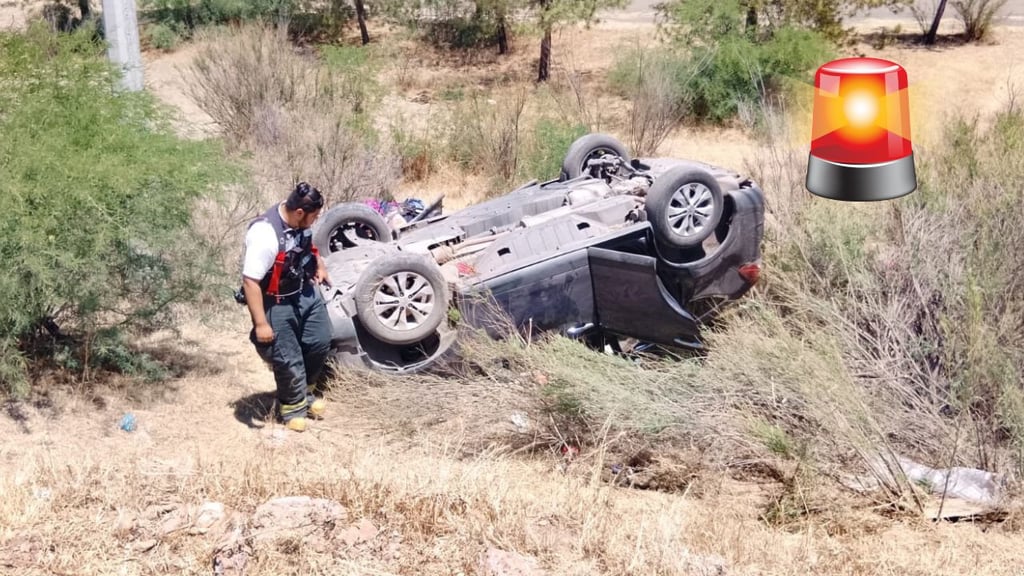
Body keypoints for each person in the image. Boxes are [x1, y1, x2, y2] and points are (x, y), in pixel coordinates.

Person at [241, 182, 333, 432]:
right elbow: (250, 281)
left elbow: (307, 246)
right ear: (300, 213)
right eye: (313, 217)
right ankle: (292, 408)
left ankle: (305, 394)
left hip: (304, 292)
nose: (314, 221)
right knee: (287, 356)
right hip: (277, 300)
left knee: (319, 341)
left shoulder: (298, 220)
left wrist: (320, 265)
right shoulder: (265, 235)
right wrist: (261, 323)